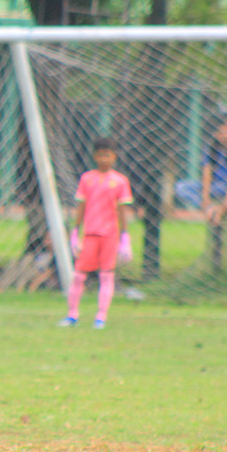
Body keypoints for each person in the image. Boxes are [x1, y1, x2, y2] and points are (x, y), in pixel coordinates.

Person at [59, 138, 133, 330]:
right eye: (100, 155)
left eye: (107, 155)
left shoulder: (120, 181)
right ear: (94, 156)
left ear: (114, 157)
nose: (104, 159)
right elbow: (81, 206)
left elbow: (122, 210)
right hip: (90, 233)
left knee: (106, 276)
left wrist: (125, 237)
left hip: (110, 235)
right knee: (78, 275)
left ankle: (101, 317)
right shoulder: (87, 179)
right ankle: (72, 315)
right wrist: (75, 232)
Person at [175, 117, 227, 226]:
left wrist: (226, 202)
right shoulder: (210, 149)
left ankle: (219, 211)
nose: (224, 136)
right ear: (216, 134)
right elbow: (206, 175)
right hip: (214, 186)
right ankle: (210, 210)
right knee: (181, 187)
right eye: (221, 132)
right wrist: (205, 200)